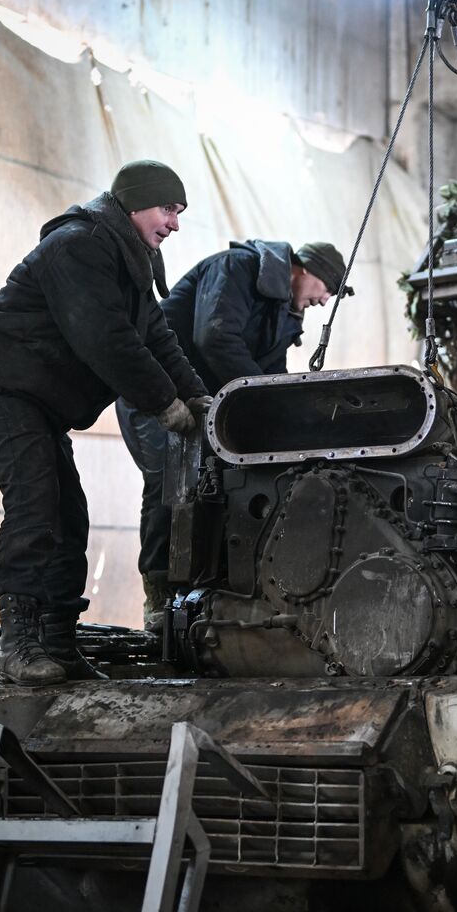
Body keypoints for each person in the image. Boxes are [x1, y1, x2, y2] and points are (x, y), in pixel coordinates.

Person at [0, 160, 211, 685]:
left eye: (179, 213)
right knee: (36, 503)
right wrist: (165, 404)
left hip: (38, 402)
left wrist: (202, 400)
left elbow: (158, 338)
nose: (175, 223)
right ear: (136, 203)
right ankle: (20, 645)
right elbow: (106, 339)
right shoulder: (79, 245)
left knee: (69, 516)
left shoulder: (129, 259)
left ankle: (59, 643)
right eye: (168, 209)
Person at [115, 240, 352, 624]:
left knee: (224, 487)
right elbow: (215, 337)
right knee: (170, 483)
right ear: (306, 269)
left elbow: (270, 377)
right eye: (328, 289)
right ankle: (159, 597)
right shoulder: (238, 268)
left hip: (208, 405)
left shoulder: (285, 315)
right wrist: (264, 397)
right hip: (156, 392)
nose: (326, 301)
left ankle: (210, 594)